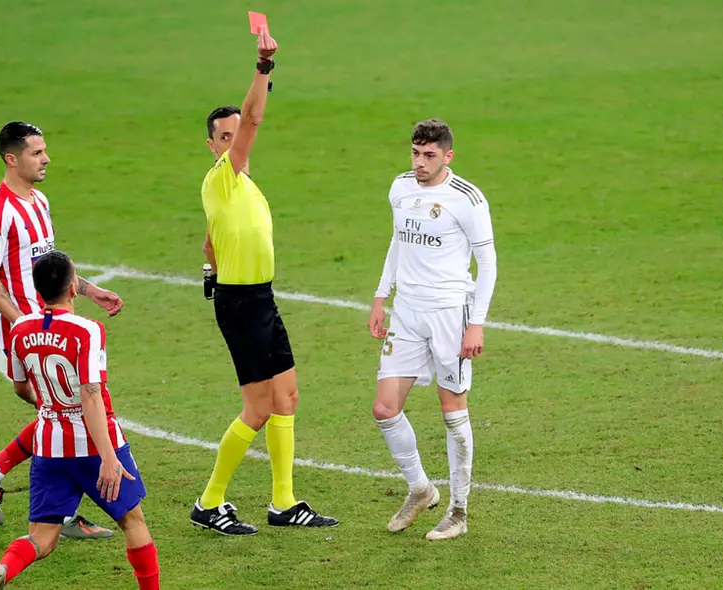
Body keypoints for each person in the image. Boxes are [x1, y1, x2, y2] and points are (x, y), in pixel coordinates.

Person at [190, 25, 338, 535]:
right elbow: (253, 116)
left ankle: (283, 503)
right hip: (243, 305)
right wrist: (264, 68)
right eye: (226, 137)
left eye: (237, 135)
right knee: (256, 409)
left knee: (287, 396)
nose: (237, 141)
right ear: (213, 146)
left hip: (260, 299)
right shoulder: (223, 177)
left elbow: (210, 242)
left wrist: (211, 267)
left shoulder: (242, 185)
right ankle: (209, 502)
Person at [0, 121, 123, 539]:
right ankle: (55, 506)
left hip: (50, 326)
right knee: (63, 411)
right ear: (11, 158)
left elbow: (52, 266)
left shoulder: (39, 201)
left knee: (59, 413)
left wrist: (89, 291)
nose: (46, 158)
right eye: (37, 152)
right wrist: (27, 328)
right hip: (31, 333)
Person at [0, 250, 160, 590]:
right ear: (73, 289)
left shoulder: (20, 329)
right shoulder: (88, 330)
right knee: (133, 522)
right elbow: (91, 395)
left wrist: (49, 405)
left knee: (43, 537)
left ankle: (4, 567)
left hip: (49, 448)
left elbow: (20, 387)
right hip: (95, 445)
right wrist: (108, 457)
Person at [367, 119, 497, 541]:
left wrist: (475, 324)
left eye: (429, 156)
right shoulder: (400, 187)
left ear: (448, 156)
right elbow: (397, 241)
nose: (420, 163)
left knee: (453, 413)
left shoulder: (467, 199)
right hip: (407, 312)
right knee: (385, 409)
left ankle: (458, 511)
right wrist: (380, 296)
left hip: (449, 314)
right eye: (415, 153)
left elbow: (488, 263)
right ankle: (421, 489)